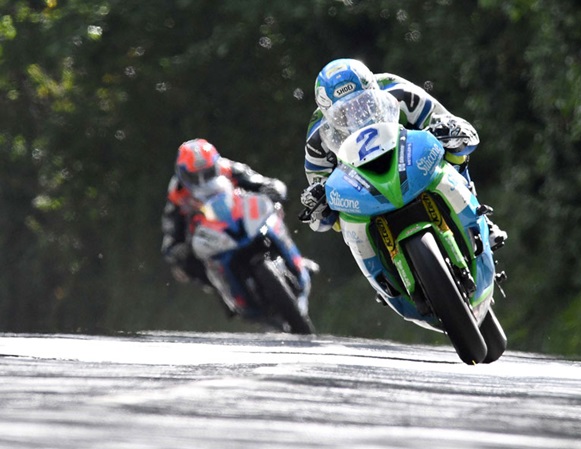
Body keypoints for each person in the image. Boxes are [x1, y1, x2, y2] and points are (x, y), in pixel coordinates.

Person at [300, 58, 507, 249]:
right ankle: (375, 267)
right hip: (362, 188)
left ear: (374, 89)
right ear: (327, 115)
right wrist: (319, 204)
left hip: (413, 158)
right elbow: (320, 216)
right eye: (343, 114)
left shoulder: (399, 91)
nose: (357, 116)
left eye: (364, 102)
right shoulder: (317, 140)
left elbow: (457, 128)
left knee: (453, 146)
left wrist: (450, 132)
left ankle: (481, 220)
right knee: (338, 213)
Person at [161, 138, 290, 297]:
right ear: (182, 173)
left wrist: (272, 190)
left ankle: (294, 260)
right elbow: (171, 229)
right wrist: (175, 249)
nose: (202, 181)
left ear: (215, 165)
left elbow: (261, 182)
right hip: (210, 235)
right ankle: (223, 293)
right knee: (186, 262)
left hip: (242, 220)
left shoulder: (228, 168)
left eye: (207, 173)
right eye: (194, 177)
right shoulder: (177, 193)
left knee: (274, 213)